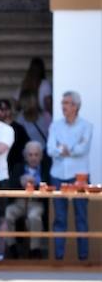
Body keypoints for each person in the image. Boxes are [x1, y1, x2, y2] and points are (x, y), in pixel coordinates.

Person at [45, 90, 92, 261]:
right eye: (63, 103)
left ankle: (83, 257)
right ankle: (58, 257)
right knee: (59, 217)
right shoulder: (55, 125)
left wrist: (67, 149)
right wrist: (64, 149)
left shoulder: (86, 126)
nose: (63, 106)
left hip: (79, 176)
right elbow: (50, 149)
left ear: (76, 106)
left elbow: (83, 149)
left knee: (81, 216)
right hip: (58, 175)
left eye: (67, 103)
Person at [0, 141, 48, 259]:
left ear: (41, 156)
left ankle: (34, 249)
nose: (33, 158)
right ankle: (12, 247)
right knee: (7, 213)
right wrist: (20, 182)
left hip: (36, 202)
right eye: (30, 155)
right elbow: (10, 186)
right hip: (19, 202)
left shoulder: (46, 167)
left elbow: (49, 185)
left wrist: (37, 184)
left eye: (36, 155)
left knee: (34, 217)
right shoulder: (18, 167)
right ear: (25, 156)